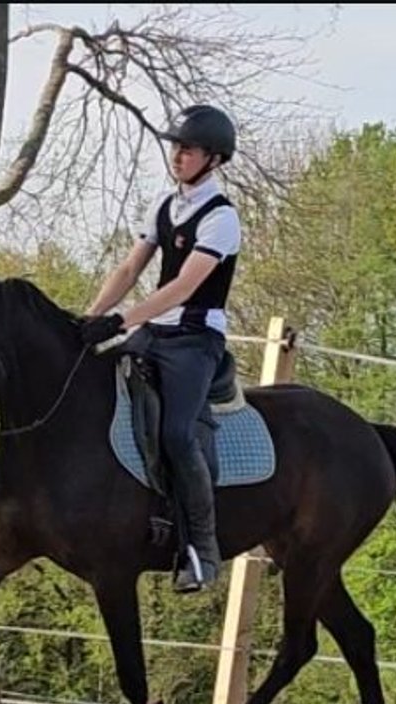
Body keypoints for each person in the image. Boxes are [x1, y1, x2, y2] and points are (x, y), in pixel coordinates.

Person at [81, 104, 242, 593]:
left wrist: (121, 320)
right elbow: (130, 269)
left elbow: (184, 287)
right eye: (175, 147)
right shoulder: (163, 205)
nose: (177, 155)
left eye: (187, 149)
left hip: (194, 341)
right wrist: (89, 318)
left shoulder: (222, 218)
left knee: (176, 433)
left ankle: (202, 552)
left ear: (213, 158)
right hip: (153, 332)